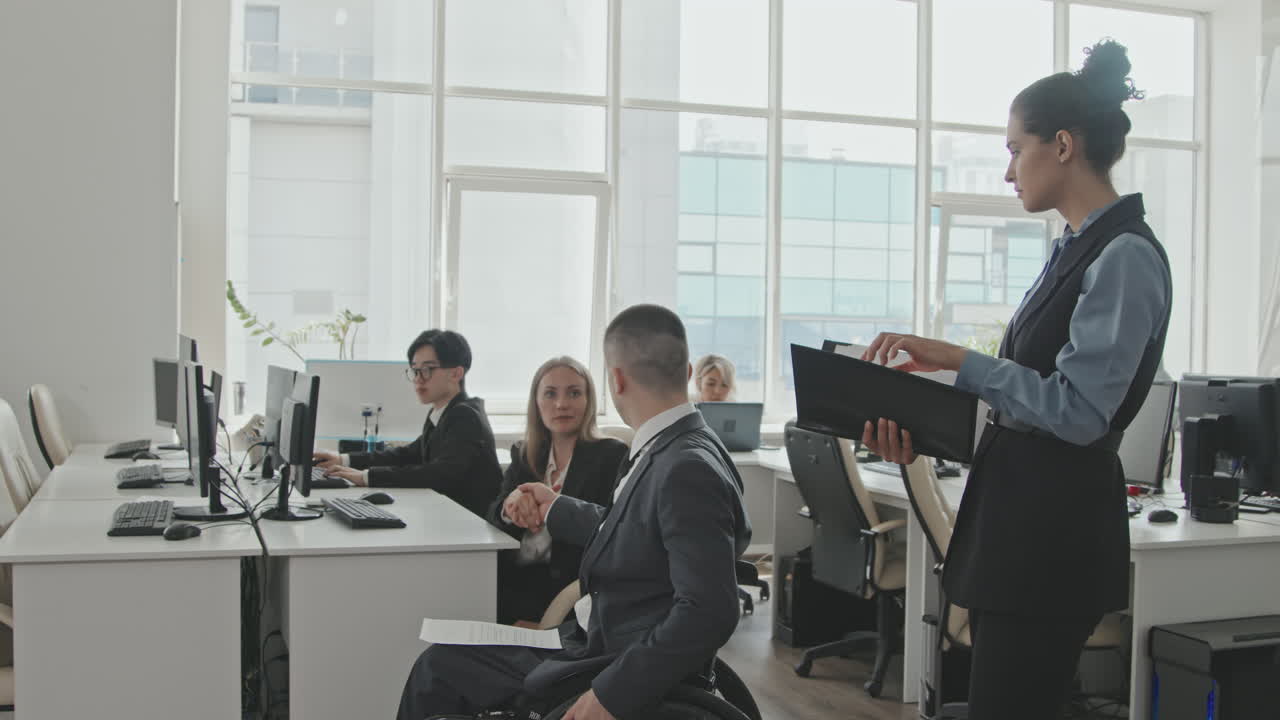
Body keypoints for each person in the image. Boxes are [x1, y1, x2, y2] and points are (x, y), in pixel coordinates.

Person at [860, 40, 1171, 719]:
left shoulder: (1123, 257)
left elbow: (1080, 412)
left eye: (1013, 148)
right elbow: (1025, 407)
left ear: (1061, 145)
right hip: (1022, 531)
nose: (1007, 170)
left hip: (1051, 542)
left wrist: (957, 359)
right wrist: (923, 428)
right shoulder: (1074, 247)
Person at [396, 305, 751, 720]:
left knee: (437, 671)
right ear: (687, 371)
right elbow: (634, 533)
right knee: (440, 662)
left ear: (615, 379)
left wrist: (610, 696)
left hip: (607, 657)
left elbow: (709, 610)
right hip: (595, 635)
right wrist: (556, 507)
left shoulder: (683, 465)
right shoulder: (678, 445)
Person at [486, 356, 628, 626]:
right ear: (536, 402)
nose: (561, 404)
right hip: (512, 578)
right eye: (550, 394)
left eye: (574, 393)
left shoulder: (611, 455)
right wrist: (510, 506)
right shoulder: (524, 452)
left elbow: (612, 532)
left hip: (566, 593)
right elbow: (492, 516)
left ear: (588, 401)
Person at [313, 329, 502, 519]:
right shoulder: (442, 412)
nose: (418, 379)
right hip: (446, 516)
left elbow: (439, 474)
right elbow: (408, 454)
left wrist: (365, 477)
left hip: (471, 527)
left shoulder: (465, 416)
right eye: (415, 370)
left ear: (456, 373)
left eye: (428, 369)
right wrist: (343, 460)